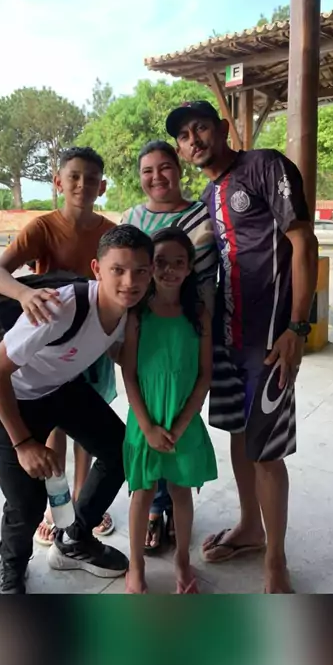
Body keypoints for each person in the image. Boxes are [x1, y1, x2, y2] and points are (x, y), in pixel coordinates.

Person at [167, 99, 318, 594]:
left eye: (200, 128)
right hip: (227, 340)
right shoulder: (208, 195)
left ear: (223, 128)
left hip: (270, 341)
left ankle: (276, 561)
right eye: (183, 136)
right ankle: (251, 526)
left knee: (267, 452)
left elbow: (303, 243)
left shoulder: (265, 166)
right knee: (238, 434)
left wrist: (298, 327)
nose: (193, 140)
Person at [0, 224, 153, 594]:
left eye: (140, 271)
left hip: (58, 387)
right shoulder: (61, 307)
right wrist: (24, 443)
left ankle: (75, 538)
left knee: (121, 451)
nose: (129, 282)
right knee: (26, 504)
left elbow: (114, 349)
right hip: (9, 394)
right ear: (97, 269)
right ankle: (11, 573)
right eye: (118, 270)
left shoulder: (128, 310)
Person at [0, 146, 117, 547]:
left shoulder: (109, 232)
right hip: (50, 343)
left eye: (91, 179)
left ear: (102, 187)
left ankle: (81, 498)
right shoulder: (42, 228)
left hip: (94, 340)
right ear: (58, 182)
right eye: (73, 176)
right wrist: (24, 294)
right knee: (54, 426)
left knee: (90, 423)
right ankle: (54, 504)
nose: (82, 185)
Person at [121, 140, 218, 553]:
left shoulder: (202, 213)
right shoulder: (131, 218)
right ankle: (155, 512)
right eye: (147, 170)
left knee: (177, 423)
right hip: (147, 329)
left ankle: (173, 510)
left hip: (191, 323)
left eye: (165, 167)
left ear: (178, 169)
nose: (157, 176)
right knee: (150, 422)